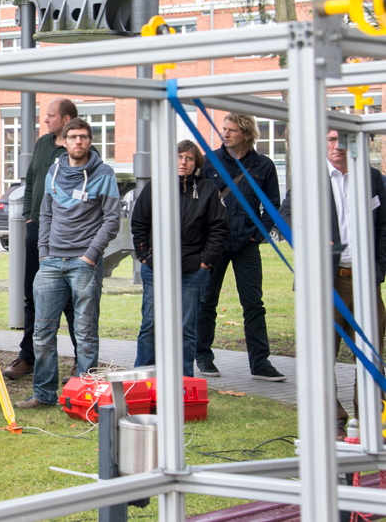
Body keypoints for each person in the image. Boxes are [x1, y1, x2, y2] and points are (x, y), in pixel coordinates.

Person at [280, 130, 386, 436]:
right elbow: (286, 215)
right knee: (322, 353)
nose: (336, 146)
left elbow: (383, 226)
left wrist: (378, 269)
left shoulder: (372, 178)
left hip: (366, 280)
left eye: (342, 139)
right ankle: (332, 421)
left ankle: (369, 419)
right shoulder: (311, 177)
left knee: (371, 353)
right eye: (329, 139)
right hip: (325, 282)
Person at [18, 118, 120, 409]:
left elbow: (112, 220)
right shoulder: (54, 171)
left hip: (84, 263)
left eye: (84, 137)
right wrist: (44, 254)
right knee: (42, 332)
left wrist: (90, 255)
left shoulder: (104, 174)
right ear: (63, 140)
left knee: (86, 334)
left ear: (90, 140)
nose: (78, 142)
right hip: (51, 263)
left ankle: (88, 397)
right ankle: (44, 395)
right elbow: (45, 214)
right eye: (73, 137)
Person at [196, 113, 286, 381]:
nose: (225, 134)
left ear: (246, 134)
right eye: (224, 129)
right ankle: (203, 357)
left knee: (254, 305)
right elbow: (197, 198)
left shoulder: (264, 165)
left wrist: (256, 236)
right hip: (214, 243)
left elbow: (273, 206)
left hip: (247, 244)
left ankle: (260, 364)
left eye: (232, 130)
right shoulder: (210, 161)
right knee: (206, 301)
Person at [130, 140, 229, 377]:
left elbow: (219, 229)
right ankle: (141, 380)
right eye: (179, 157)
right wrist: (145, 256)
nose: (183, 162)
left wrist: (205, 262)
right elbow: (139, 223)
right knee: (150, 326)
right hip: (156, 268)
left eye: (189, 158)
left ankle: (184, 382)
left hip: (193, 269)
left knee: (185, 329)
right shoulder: (156, 187)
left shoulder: (207, 189)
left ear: (196, 163)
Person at [5, 98, 80, 381]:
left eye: (50, 116)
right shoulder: (42, 143)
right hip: (36, 229)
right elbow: (32, 179)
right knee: (32, 294)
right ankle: (29, 357)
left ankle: (81, 362)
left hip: (66, 235)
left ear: (66, 118)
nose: (45, 121)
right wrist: (28, 215)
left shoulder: (80, 148)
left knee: (71, 299)